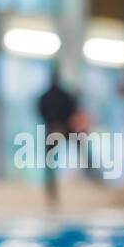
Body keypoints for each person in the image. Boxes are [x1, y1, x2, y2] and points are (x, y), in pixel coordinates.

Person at [37, 68, 78, 206]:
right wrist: (59, 125)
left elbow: (40, 110)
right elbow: (72, 109)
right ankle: (51, 191)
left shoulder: (46, 96)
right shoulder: (63, 95)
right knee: (50, 161)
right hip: (60, 128)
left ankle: (51, 190)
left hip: (57, 128)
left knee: (50, 161)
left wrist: (55, 125)